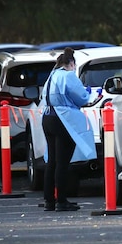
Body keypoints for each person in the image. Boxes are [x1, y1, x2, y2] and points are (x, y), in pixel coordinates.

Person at [41, 47, 96, 212]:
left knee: (52, 161)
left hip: (48, 116)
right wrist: (91, 94)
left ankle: (49, 200)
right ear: (71, 63)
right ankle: (62, 200)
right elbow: (81, 97)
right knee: (63, 163)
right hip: (63, 117)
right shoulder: (68, 75)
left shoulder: (53, 75)